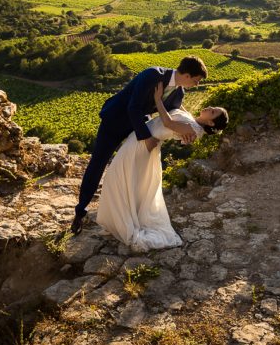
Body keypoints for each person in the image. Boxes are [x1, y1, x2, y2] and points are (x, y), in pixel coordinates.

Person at [70, 56, 207, 234]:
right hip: (115, 122)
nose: (196, 85)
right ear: (187, 75)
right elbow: (133, 107)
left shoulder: (179, 93)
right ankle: (80, 213)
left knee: (135, 169)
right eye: (196, 81)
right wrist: (146, 137)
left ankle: (127, 213)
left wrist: (188, 133)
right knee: (98, 164)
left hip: (139, 127)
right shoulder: (152, 75)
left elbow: (171, 117)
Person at [95, 82, 228, 251]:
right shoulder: (193, 122)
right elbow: (179, 108)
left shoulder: (193, 130)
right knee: (128, 183)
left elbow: (168, 122)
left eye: (213, 111)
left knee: (119, 179)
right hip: (142, 140)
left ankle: (124, 222)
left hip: (142, 145)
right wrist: (177, 86)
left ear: (211, 123)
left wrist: (158, 99)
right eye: (213, 107)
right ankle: (120, 219)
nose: (210, 107)